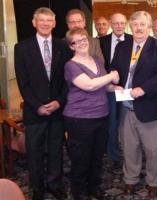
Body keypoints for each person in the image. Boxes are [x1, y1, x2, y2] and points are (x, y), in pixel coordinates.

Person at [111, 10, 157, 198]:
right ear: (131, 26)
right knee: (129, 148)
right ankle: (130, 179)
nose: (138, 28)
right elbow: (114, 67)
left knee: (154, 150)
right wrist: (114, 81)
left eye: (142, 24)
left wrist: (144, 88)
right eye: (135, 24)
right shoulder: (122, 46)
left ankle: (154, 181)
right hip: (126, 107)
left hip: (152, 107)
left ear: (149, 27)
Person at [14, 7, 70, 200]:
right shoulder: (21, 48)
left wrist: (59, 102)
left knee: (56, 151)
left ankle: (54, 185)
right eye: (41, 20)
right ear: (34, 23)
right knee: (34, 152)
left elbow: (66, 80)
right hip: (33, 111)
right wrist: (37, 105)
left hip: (57, 109)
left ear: (54, 23)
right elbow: (23, 83)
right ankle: (37, 188)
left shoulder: (63, 46)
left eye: (49, 20)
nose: (45, 24)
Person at [63, 28, 119, 200]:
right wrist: (111, 76)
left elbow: (102, 86)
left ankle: (94, 187)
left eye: (83, 39)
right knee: (81, 159)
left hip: (101, 115)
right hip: (80, 119)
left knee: (97, 156)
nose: (81, 43)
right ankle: (79, 191)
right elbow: (89, 85)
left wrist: (115, 88)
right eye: (76, 42)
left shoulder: (96, 60)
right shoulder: (70, 65)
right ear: (71, 46)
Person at [99, 13, 131, 168]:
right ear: (110, 24)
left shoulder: (133, 40)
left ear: (126, 24)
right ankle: (113, 156)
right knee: (112, 123)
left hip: (129, 89)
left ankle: (129, 155)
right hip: (108, 90)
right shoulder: (101, 42)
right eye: (116, 23)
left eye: (122, 23)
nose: (119, 26)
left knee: (127, 124)